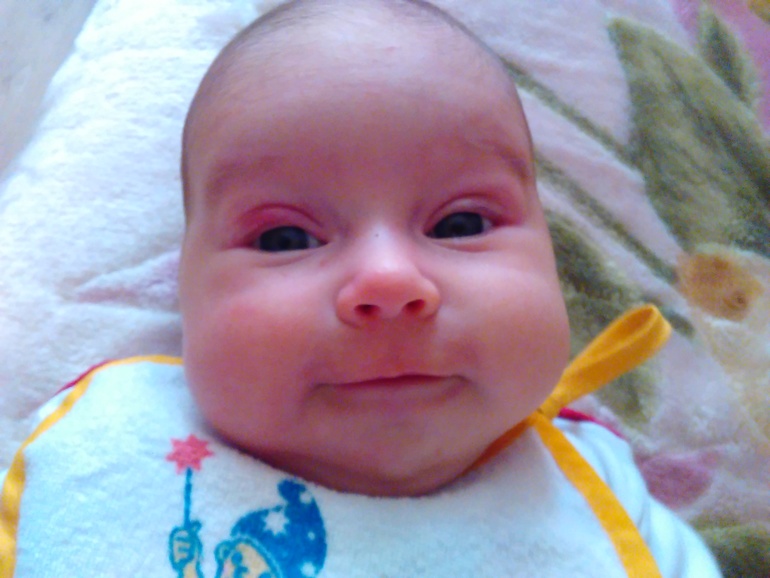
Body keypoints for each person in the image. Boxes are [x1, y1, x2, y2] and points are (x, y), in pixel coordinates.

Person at [0, 1, 722, 576]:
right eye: (285, 239)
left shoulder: (596, 498)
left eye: (461, 223)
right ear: (181, 292)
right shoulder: (110, 462)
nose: (388, 279)